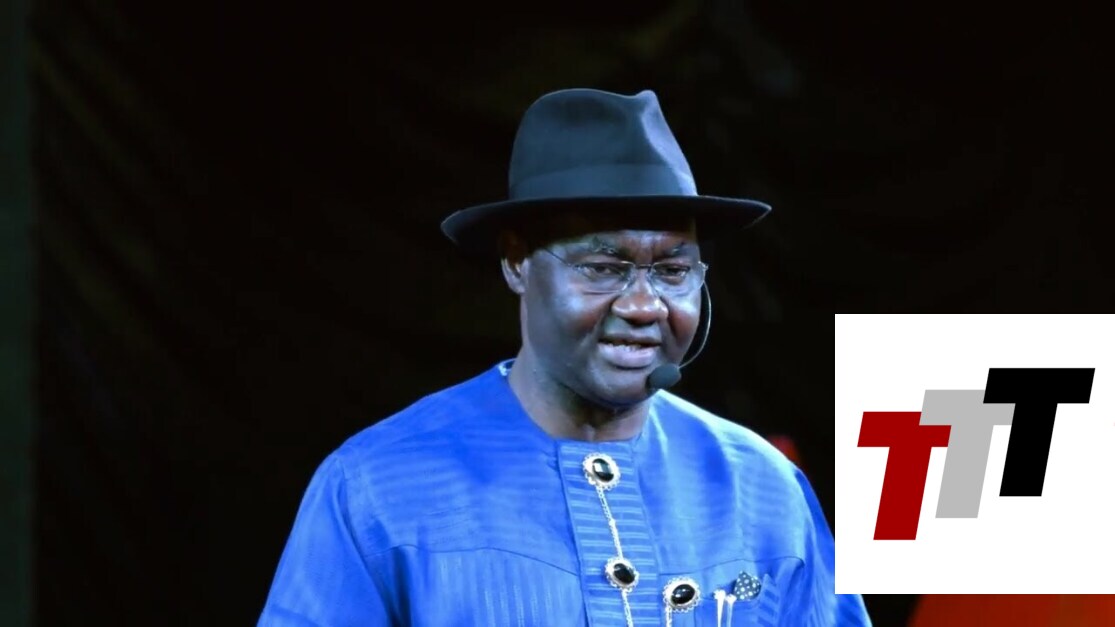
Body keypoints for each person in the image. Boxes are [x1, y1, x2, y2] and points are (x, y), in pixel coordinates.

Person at [258, 88, 870, 626]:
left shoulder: (761, 486)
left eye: (673, 271)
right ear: (516, 262)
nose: (644, 305)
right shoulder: (378, 484)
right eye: (603, 268)